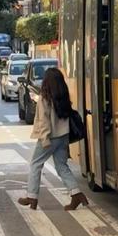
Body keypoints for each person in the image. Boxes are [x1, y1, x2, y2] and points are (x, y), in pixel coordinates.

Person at [18, 68, 88, 210]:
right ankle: (76, 194)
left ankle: (32, 196)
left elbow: (44, 121)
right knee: (62, 165)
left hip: (50, 137)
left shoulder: (45, 97)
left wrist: (44, 139)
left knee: (35, 164)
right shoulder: (63, 96)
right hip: (63, 136)